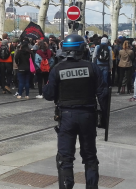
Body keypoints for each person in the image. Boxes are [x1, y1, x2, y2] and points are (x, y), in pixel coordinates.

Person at [43, 34, 108, 189]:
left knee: (65, 159)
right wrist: (103, 116)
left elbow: (49, 95)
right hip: (88, 116)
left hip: (66, 117)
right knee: (90, 157)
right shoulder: (92, 67)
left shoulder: (57, 69)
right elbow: (103, 94)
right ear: (82, 49)